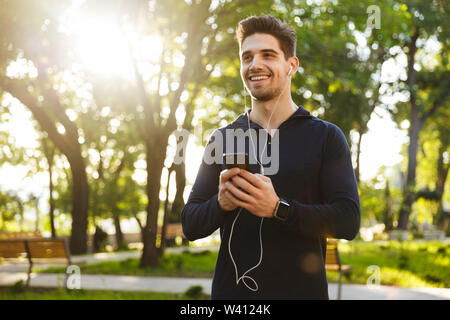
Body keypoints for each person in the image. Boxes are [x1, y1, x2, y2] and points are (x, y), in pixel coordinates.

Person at [181, 14, 360, 300]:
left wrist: (279, 208)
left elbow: (348, 221)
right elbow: (190, 224)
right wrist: (222, 203)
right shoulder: (222, 138)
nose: (255, 65)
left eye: (268, 55)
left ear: (291, 65)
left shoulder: (326, 136)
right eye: (247, 57)